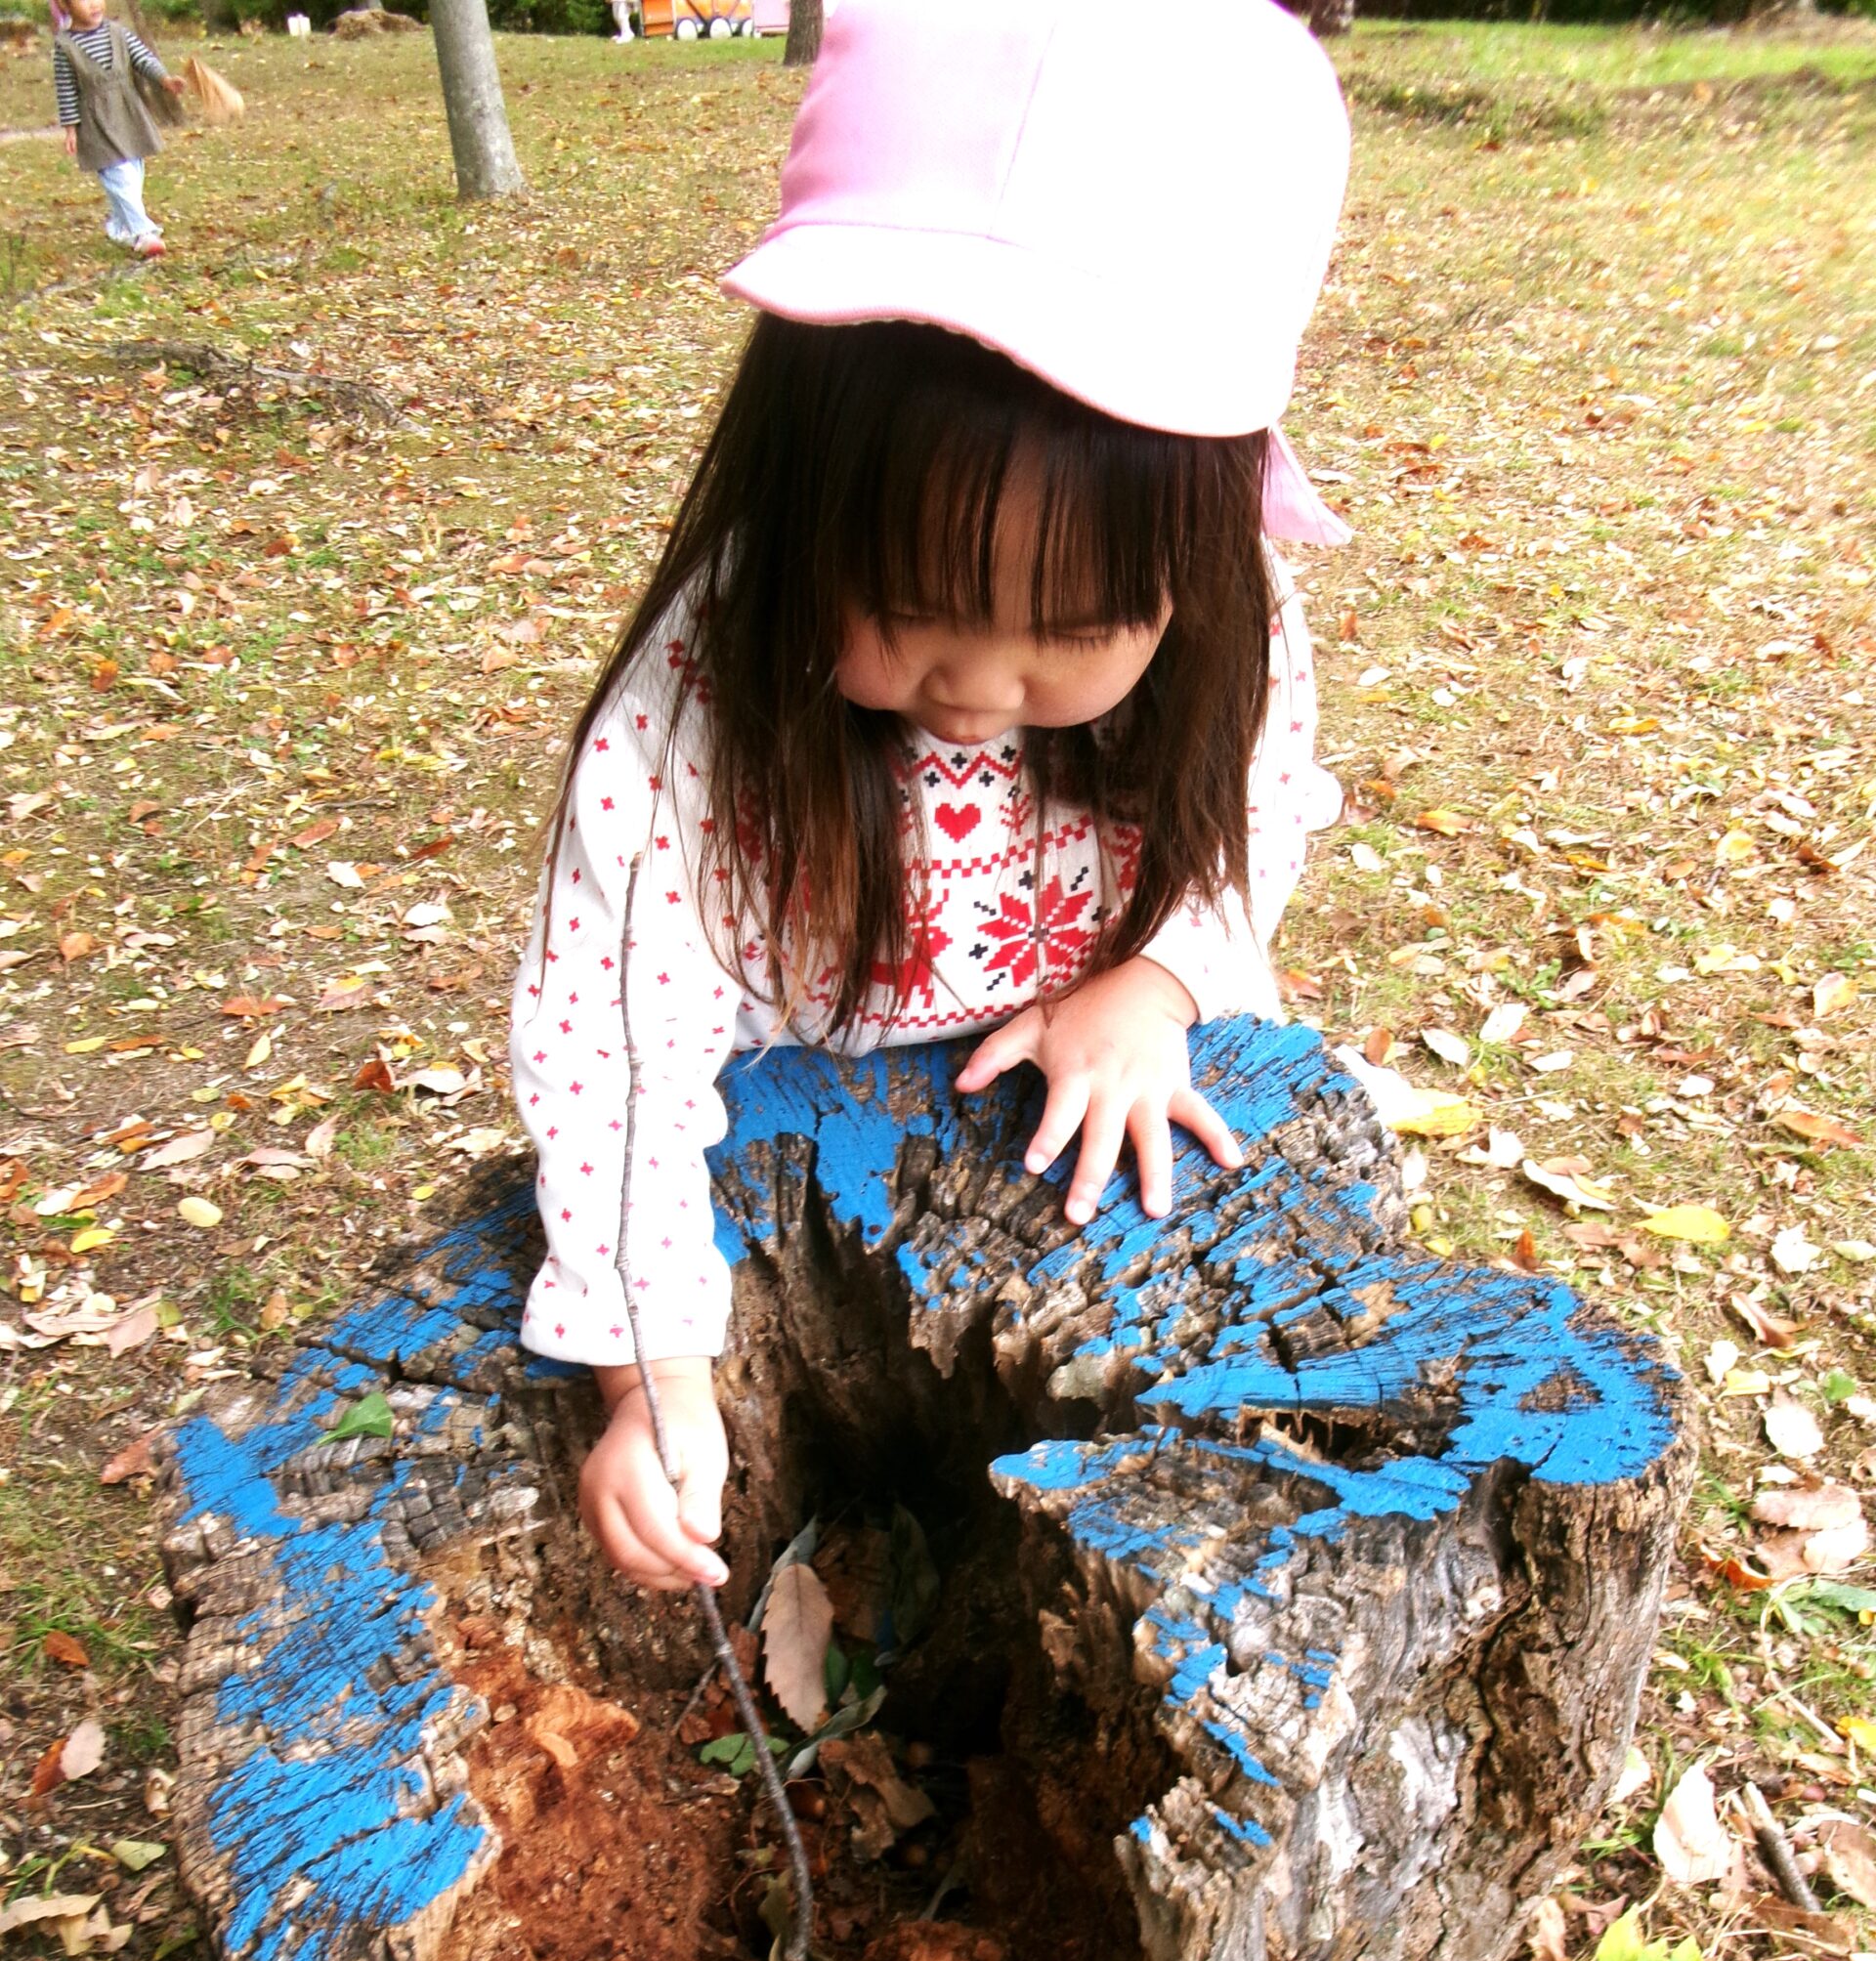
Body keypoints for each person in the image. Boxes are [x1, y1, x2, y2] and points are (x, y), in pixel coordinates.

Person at [512, 0, 1351, 1595]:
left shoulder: (1234, 621)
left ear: (1189, 562)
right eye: (902, 603)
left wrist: (1158, 978)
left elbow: (1261, 808)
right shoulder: (700, 698)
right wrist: (651, 1372)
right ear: (801, 476)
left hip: (1075, 1148)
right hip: (790, 1163)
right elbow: (610, 1032)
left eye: (1074, 632)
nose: (976, 684)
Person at [52, 0, 184, 262]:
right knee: (118, 175)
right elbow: (65, 90)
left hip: (127, 113)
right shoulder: (64, 47)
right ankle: (144, 232)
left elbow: (143, 59)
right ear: (65, 5)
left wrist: (164, 79)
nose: (93, 4)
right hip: (95, 121)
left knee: (133, 171)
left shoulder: (118, 32)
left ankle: (120, 225)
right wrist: (70, 129)